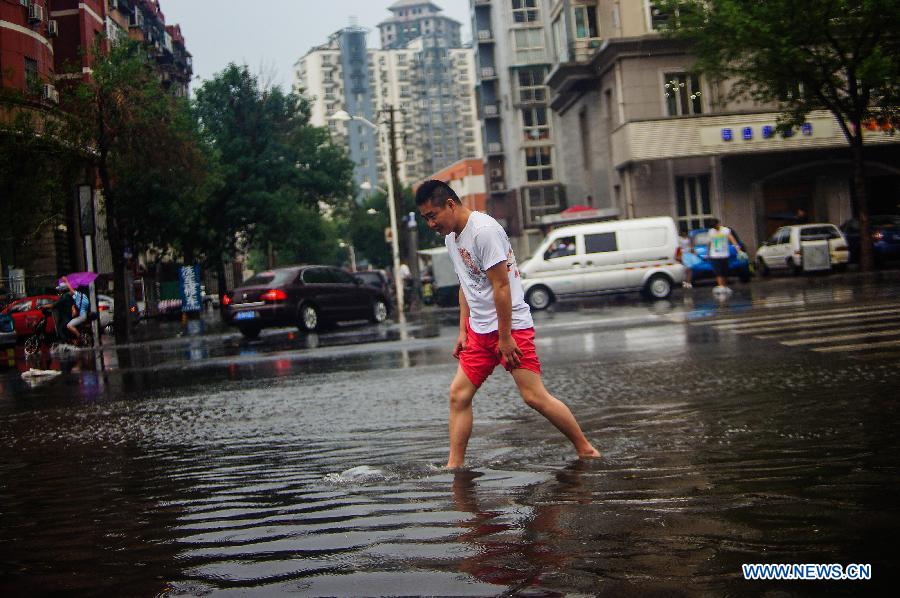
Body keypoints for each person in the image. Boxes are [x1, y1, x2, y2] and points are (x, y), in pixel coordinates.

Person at [415, 180, 600, 468]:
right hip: (479, 331)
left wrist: (504, 337)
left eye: (432, 215)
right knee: (458, 395)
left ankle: (585, 449)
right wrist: (463, 329)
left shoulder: (484, 231)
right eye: (425, 218)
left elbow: (501, 287)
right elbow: (466, 285)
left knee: (534, 397)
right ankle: (455, 466)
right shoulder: (452, 238)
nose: (430, 224)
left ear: (450, 204)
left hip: (510, 328)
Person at [706, 219, 740, 294]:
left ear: (718, 224)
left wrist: (738, 249)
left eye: (716, 226)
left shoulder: (725, 230)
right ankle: (720, 286)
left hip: (724, 254)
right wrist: (707, 253)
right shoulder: (711, 232)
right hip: (715, 255)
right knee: (718, 272)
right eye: (714, 227)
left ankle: (724, 286)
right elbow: (709, 243)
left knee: (724, 271)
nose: (715, 228)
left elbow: (732, 239)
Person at [61, 276, 89, 342]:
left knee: (69, 325)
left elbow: (71, 290)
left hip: (81, 316)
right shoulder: (85, 296)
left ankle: (79, 336)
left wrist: (66, 281)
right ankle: (77, 338)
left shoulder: (78, 296)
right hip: (84, 315)